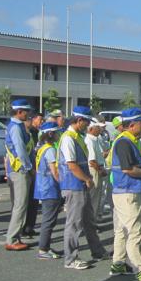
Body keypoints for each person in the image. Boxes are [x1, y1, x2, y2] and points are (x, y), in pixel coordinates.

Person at [109, 108, 141, 281]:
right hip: (127, 192)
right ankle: (140, 270)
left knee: (122, 230)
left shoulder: (130, 141)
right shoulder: (124, 142)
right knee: (134, 231)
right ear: (132, 125)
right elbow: (127, 169)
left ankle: (118, 264)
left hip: (125, 191)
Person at [59, 106, 107, 270]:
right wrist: (87, 179)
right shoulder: (68, 138)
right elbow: (71, 165)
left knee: (88, 220)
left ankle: (97, 251)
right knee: (74, 223)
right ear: (79, 120)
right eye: (86, 122)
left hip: (81, 184)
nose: (87, 126)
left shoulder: (77, 136)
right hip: (74, 185)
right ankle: (70, 258)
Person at [4, 99, 35, 251]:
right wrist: (29, 167)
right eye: (26, 111)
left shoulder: (16, 126)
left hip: (18, 169)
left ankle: (16, 237)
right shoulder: (16, 127)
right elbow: (20, 150)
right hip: (20, 170)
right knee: (20, 205)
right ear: (19, 111)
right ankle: (12, 238)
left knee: (21, 205)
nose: (28, 114)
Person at [33, 121, 62, 259]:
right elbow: (55, 172)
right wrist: (64, 185)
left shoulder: (42, 148)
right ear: (51, 133)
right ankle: (43, 249)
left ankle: (46, 247)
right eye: (57, 132)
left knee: (48, 219)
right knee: (49, 220)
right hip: (50, 188)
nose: (59, 135)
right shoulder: (50, 149)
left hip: (43, 187)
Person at [85, 119, 107, 224]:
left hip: (98, 168)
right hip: (94, 170)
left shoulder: (95, 139)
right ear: (91, 128)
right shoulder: (89, 140)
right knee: (93, 198)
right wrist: (100, 170)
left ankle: (92, 221)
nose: (100, 129)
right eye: (98, 127)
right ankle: (90, 222)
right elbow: (92, 160)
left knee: (97, 197)